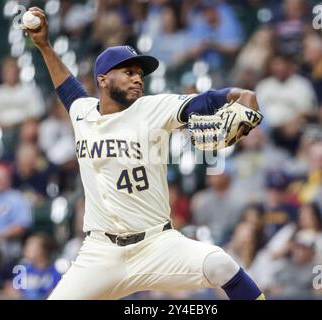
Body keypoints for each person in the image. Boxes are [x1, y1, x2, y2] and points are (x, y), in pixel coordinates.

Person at [25, 7, 264, 300]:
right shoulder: (82, 111)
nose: (138, 79)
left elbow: (203, 101)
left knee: (221, 264)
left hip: (157, 245)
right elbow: (66, 85)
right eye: (128, 72)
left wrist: (240, 94)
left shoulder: (152, 109)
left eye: (140, 74)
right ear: (102, 79)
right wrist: (45, 46)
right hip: (100, 253)